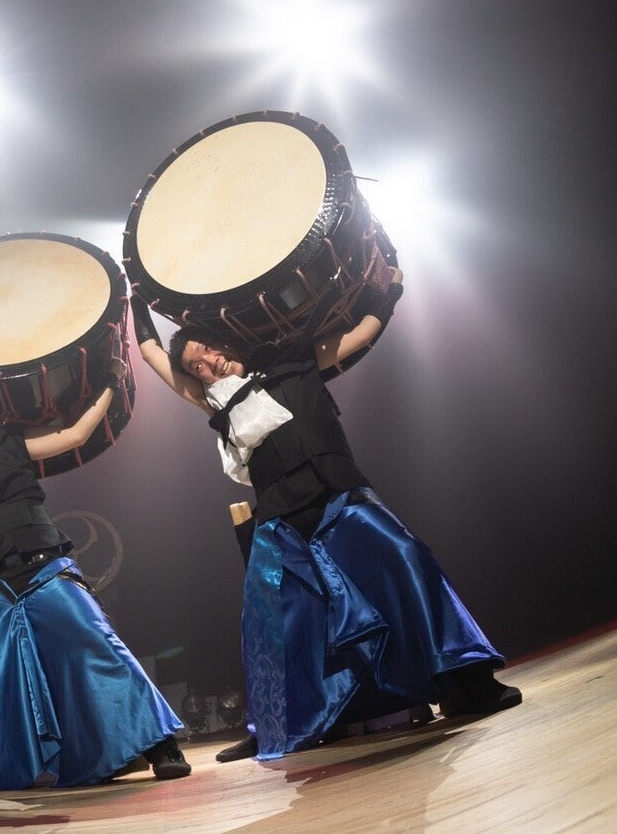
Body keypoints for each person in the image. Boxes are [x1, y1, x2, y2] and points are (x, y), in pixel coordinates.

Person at [131, 270, 521, 762]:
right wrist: (136, 296)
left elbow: (361, 334)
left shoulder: (293, 357)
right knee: (270, 621)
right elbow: (152, 354)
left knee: (405, 562)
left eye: (207, 348)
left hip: (338, 494)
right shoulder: (212, 399)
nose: (208, 362)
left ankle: (469, 683)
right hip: (280, 519)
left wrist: (388, 290)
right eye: (196, 365)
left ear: (225, 340)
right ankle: (276, 725)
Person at [0, 359, 191, 790]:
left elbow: (75, 435)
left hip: (43, 566)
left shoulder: (5, 443)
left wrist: (110, 383)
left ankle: (160, 745)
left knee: (96, 645)